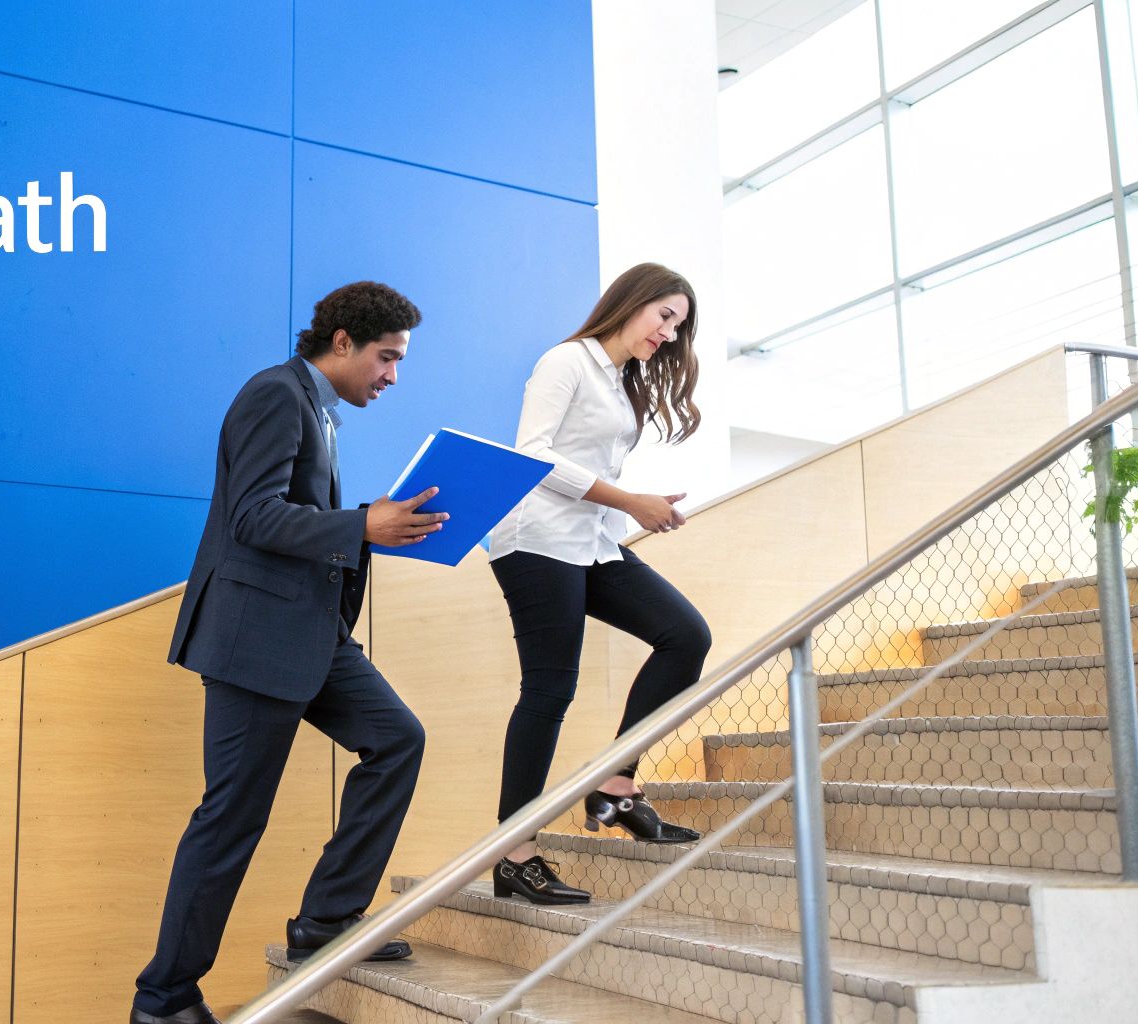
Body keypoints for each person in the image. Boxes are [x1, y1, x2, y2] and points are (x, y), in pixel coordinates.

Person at [131, 282, 446, 1024]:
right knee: (231, 818)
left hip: (311, 635)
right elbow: (253, 515)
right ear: (342, 341)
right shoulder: (275, 393)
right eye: (387, 357)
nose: (393, 375)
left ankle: (325, 923)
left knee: (397, 739)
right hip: (255, 639)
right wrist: (362, 524)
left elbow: (298, 516)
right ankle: (163, 998)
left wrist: (371, 525)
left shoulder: (319, 410)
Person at [484, 263, 713, 906]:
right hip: (535, 540)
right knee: (551, 688)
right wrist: (630, 499)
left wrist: (634, 509)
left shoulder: (619, 381)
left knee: (684, 635)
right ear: (632, 301)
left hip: (591, 544)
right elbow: (532, 454)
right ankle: (514, 855)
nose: (669, 334)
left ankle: (615, 783)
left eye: (678, 326)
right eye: (664, 316)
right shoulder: (567, 362)